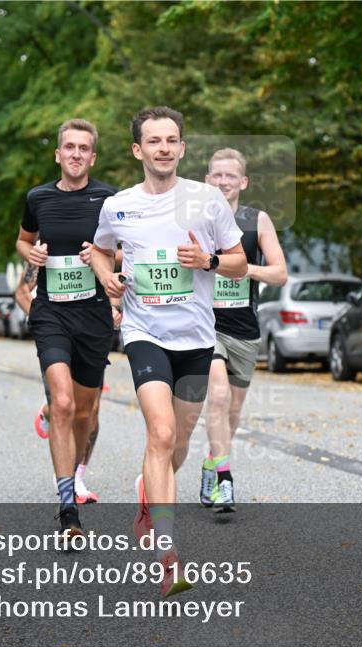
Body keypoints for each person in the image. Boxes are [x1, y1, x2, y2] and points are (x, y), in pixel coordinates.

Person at [89, 106, 247, 596]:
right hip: (144, 333)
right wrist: (106, 277)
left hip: (198, 340)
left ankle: (147, 492)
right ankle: (168, 555)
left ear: (181, 148)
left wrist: (209, 260)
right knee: (159, 433)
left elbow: (239, 263)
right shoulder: (118, 206)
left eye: (171, 140)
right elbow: (98, 248)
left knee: (176, 445)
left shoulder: (207, 201)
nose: (163, 148)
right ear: (138, 150)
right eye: (154, 141)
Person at [15, 118, 119, 537]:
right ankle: (66, 510)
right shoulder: (38, 197)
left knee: (84, 411)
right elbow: (22, 240)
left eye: (84, 149)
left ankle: (75, 471)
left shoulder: (110, 199)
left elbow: (125, 252)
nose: (75, 154)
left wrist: (106, 264)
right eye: (69, 147)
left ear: (92, 157)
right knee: (61, 402)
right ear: (58, 154)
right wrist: (32, 255)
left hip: (94, 314)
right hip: (51, 312)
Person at [199, 148, 288, 512]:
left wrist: (241, 268)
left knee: (232, 412)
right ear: (207, 180)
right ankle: (224, 481)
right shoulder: (196, 219)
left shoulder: (256, 221)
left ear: (242, 182)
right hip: (206, 326)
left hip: (245, 330)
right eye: (217, 175)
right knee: (217, 396)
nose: (223, 182)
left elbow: (280, 274)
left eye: (230, 176)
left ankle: (210, 463)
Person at [14, 260, 118, 505]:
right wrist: (46, 325)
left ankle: (78, 477)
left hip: (90, 333)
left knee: (90, 411)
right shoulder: (45, 246)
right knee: (64, 403)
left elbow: (114, 280)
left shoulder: (97, 243)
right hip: (56, 336)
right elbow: (21, 292)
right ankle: (52, 412)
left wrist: (113, 308)